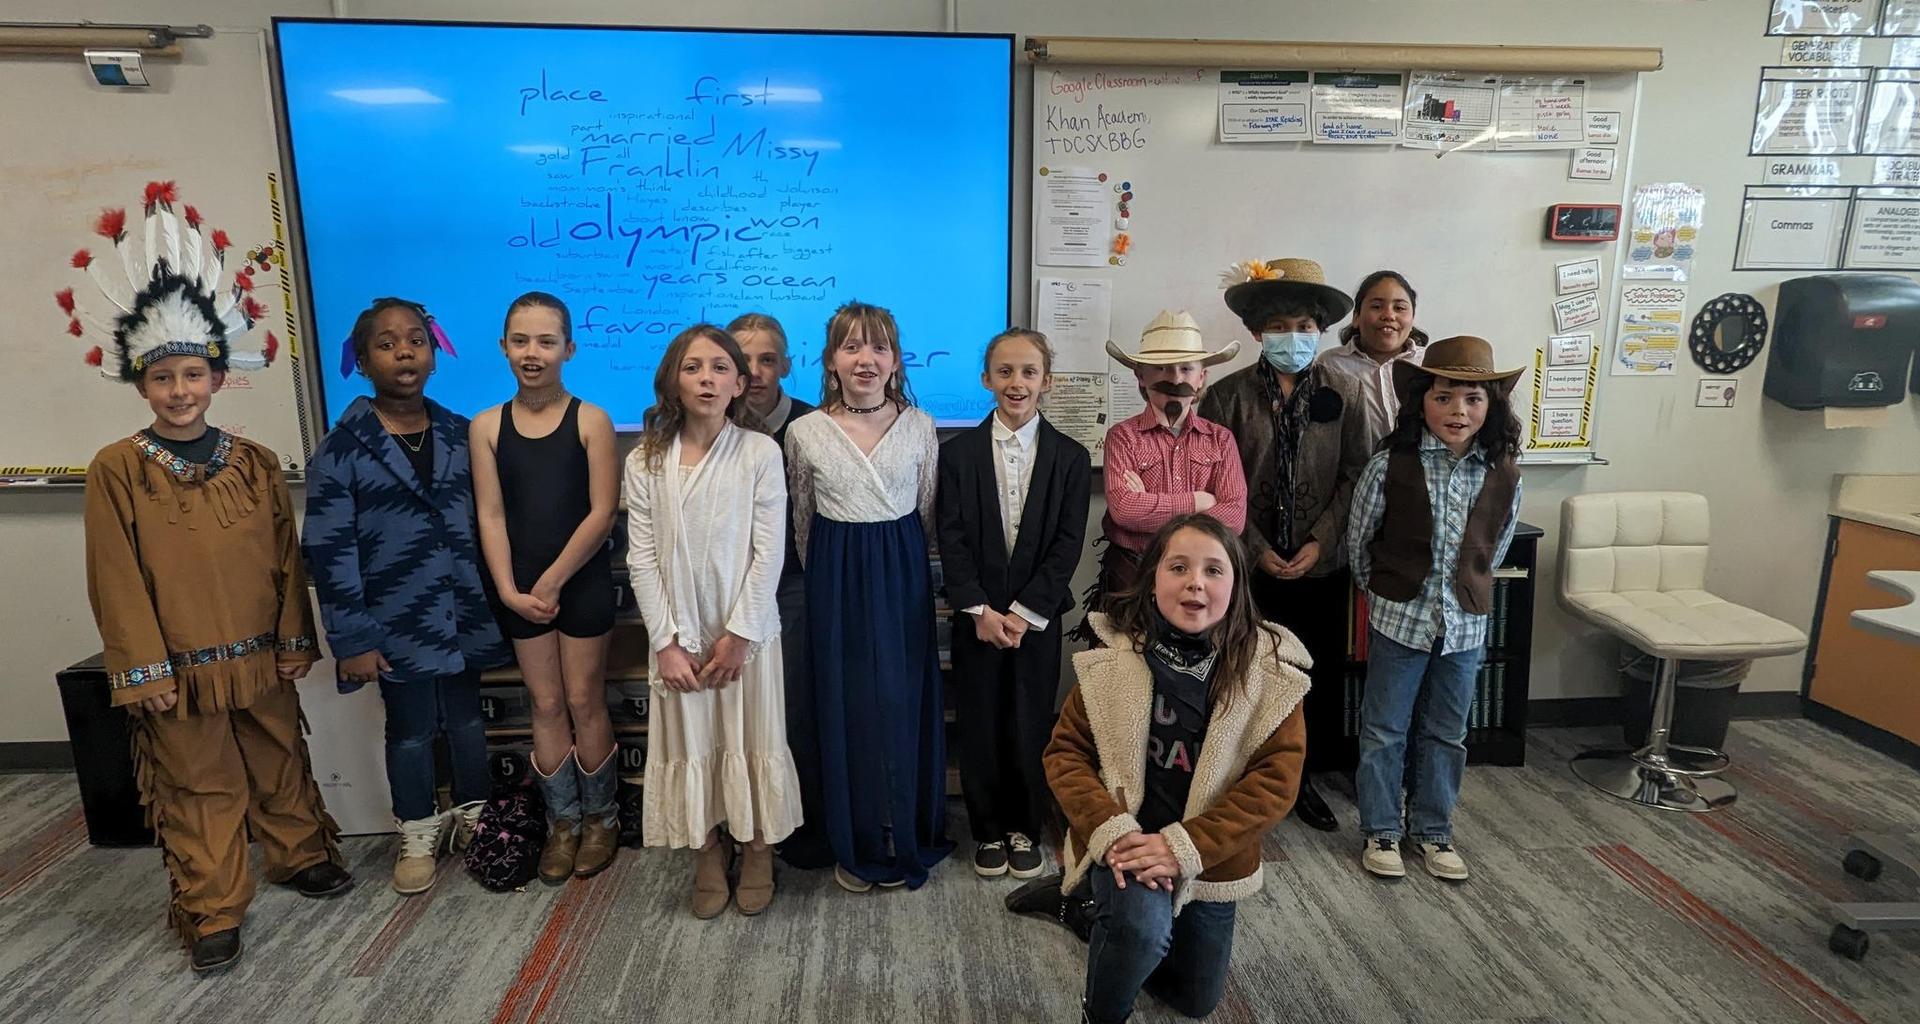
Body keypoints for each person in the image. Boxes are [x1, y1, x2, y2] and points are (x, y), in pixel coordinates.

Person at [69, 181, 350, 973]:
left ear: (218, 377)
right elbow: (115, 577)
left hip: (259, 653)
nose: (181, 391)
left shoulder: (254, 462)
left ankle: (299, 856)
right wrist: (143, 671)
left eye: (193, 375)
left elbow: (284, 555)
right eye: (164, 381)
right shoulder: (116, 470)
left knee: (277, 759)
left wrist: (295, 636)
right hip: (179, 668)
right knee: (200, 784)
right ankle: (214, 907)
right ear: (141, 385)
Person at [1046, 515, 1310, 1023]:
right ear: (1152, 581)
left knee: (1194, 1001)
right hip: (1127, 842)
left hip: (1207, 854)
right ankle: (1099, 1003)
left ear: (1235, 588)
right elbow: (1065, 754)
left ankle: (1086, 910)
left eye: (1214, 570)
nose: (1196, 582)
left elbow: (1275, 783)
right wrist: (1114, 832)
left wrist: (1182, 847)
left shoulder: (1269, 675)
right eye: (1179, 567)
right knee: (1140, 933)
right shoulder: (1113, 662)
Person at [304, 296, 507, 895]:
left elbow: (490, 519)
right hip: (394, 620)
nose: (404, 353)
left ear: (435, 353)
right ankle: (416, 827)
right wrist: (353, 638)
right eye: (387, 344)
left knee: (469, 722)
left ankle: (475, 815)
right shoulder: (342, 450)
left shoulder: (460, 433)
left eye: (415, 340)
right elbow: (329, 549)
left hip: (463, 610)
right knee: (412, 729)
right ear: (363, 361)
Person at [624, 324, 803, 918]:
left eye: (720, 368)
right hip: (679, 636)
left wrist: (740, 637)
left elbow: (767, 551)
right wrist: (667, 644)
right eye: (694, 367)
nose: (707, 378)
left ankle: (755, 848)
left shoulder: (759, 452)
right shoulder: (646, 460)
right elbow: (642, 555)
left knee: (751, 739)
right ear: (673, 378)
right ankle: (705, 850)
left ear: (739, 383)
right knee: (693, 742)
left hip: (744, 636)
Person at [780, 300, 953, 891]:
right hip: (836, 577)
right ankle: (852, 832)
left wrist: (896, 561)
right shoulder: (804, 433)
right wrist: (838, 571)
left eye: (879, 347)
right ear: (830, 360)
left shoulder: (921, 426)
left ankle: (899, 825)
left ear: (896, 360)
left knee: (900, 699)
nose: (866, 359)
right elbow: (802, 519)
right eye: (851, 347)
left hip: (901, 575)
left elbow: (927, 514)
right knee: (847, 699)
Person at [1198, 258, 1367, 834]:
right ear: (1256, 333)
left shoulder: (1346, 392)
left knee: (1312, 675)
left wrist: (1321, 542)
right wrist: (1254, 547)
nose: (1291, 338)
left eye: (1303, 326)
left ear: (1318, 330)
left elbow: (1356, 475)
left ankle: (1303, 780)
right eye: (1279, 327)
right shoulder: (1225, 397)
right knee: (1244, 670)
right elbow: (1215, 484)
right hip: (1248, 566)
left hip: (1323, 566)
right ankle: (1242, 777)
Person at [1347, 335, 1524, 883]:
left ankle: (1434, 830)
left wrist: (1467, 590)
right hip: (1401, 619)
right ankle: (1382, 828)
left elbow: (1496, 544)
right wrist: (1382, 593)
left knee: (1447, 732)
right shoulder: (1389, 465)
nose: (1458, 411)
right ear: (1421, 399)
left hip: (1465, 625)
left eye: (1473, 398)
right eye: (1444, 397)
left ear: (1491, 406)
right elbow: (1360, 542)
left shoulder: (1503, 471)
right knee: (1384, 728)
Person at [470, 291, 621, 883]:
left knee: (584, 699)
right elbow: (492, 515)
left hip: (578, 584)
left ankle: (601, 819)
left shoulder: (592, 420)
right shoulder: (486, 426)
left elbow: (602, 512)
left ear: (568, 349)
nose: (533, 353)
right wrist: (509, 589)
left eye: (546, 342)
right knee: (546, 702)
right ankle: (563, 823)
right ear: (504, 347)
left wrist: (552, 579)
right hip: (519, 589)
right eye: (521, 341)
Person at [936, 328, 1092, 880]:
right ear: (986, 380)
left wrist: (1025, 613)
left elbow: (1067, 543)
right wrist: (977, 609)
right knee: (980, 721)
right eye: (1004, 372)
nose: (1016, 382)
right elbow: (950, 538)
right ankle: (986, 828)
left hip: (1035, 620)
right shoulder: (956, 457)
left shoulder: (1072, 458)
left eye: (1028, 372)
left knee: (1030, 720)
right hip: (978, 619)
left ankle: (1025, 822)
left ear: (1046, 381)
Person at [1076, 310, 1247, 641]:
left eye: (1186, 368)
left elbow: (1235, 518)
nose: (1175, 378)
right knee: (1126, 673)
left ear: (1202, 377)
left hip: (1201, 586)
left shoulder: (1221, 439)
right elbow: (1125, 511)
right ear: (1140, 375)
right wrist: (1199, 501)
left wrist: (1151, 504)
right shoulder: (1122, 437)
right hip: (1132, 575)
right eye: (1162, 368)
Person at [727, 312, 816, 837]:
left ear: (786, 364)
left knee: (791, 702)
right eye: (744, 359)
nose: (756, 371)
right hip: (727, 589)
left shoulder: (811, 425)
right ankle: (741, 815)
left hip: (795, 586)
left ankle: (792, 821)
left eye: (767, 359)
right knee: (737, 707)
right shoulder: (712, 421)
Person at [1317, 270, 1428, 449]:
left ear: (1412, 318)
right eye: (1377, 306)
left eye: (1399, 308)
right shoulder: (1330, 365)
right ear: (1356, 317)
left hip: (1420, 473)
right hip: (1355, 474)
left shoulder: (1429, 363)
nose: (1389, 315)